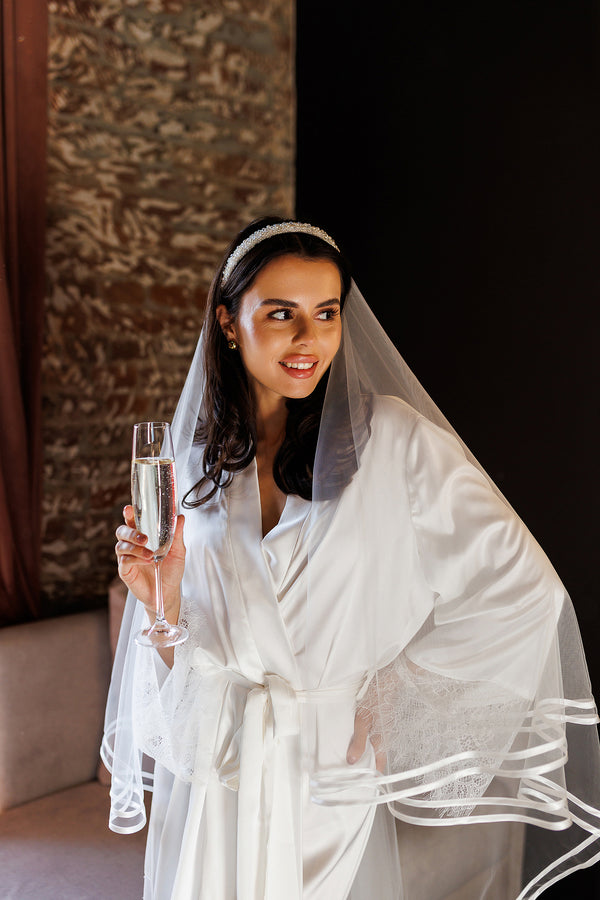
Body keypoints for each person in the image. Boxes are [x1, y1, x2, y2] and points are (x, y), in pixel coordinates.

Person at [103, 217, 600, 900]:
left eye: (327, 313)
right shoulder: (192, 465)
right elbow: (190, 668)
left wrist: (396, 695)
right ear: (227, 322)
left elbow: (527, 591)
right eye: (281, 313)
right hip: (218, 772)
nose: (309, 339)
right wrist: (160, 599)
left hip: (328, 770)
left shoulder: (392, 441)